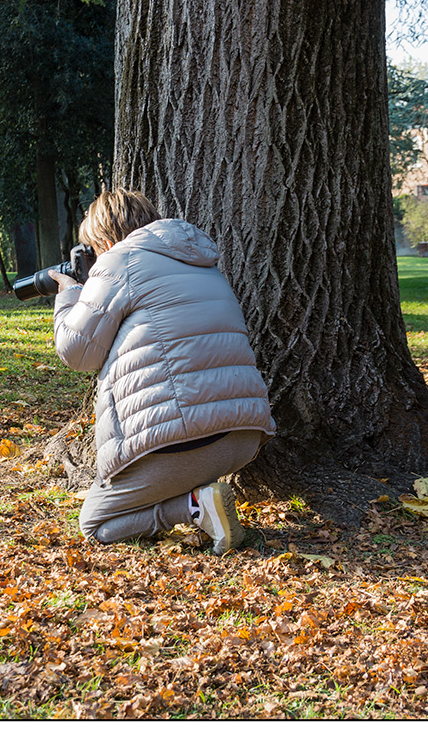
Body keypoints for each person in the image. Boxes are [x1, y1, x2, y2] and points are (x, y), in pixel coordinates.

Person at [49, 188, 276, 555]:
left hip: (179, 441)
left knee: (95, 524)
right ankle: (199, 497)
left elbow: (77, 353)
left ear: (105, 240)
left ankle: (195, 505)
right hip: (242, 435)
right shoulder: (201, 260)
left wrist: (70, 295)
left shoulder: (119, 261)